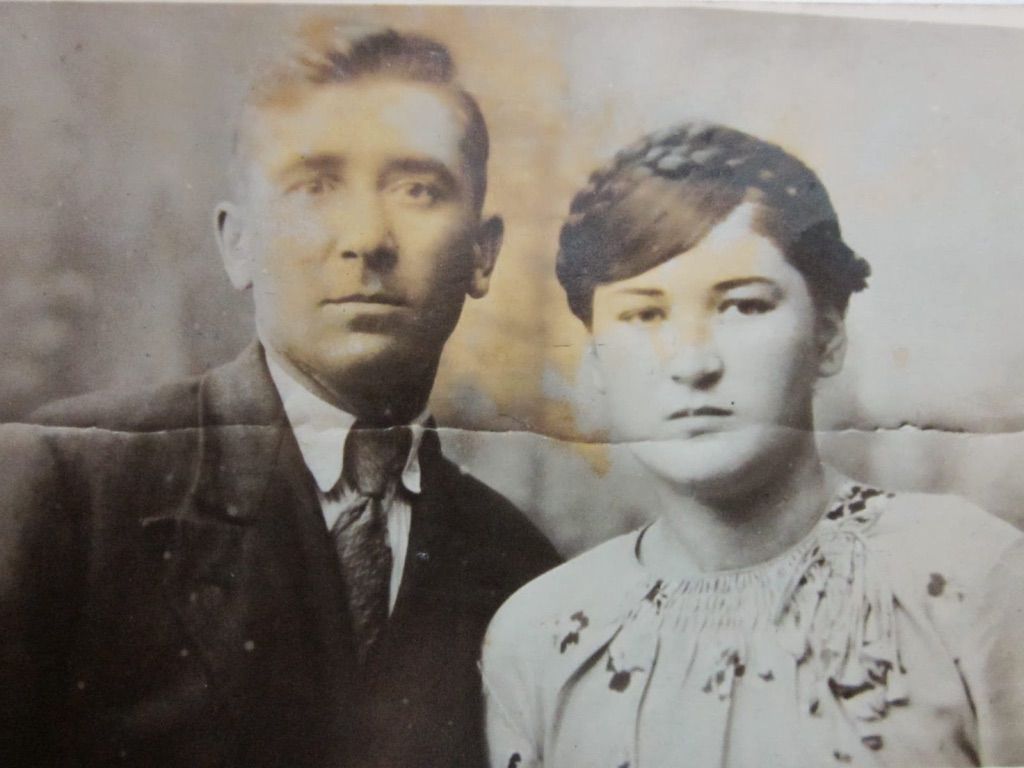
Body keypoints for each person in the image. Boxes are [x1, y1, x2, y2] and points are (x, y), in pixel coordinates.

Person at [0, 24, 559, 768]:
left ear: (482, 255)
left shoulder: (518, 564)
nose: (367, 238)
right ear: (238, 244)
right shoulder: (75, 485)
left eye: (418, 190)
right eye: (315, 186)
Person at [482, 122, 1024, 767]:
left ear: (827, 336)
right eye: (644, 314)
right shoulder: (538, 637)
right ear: (596, 362)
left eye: (742, 306)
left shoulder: (972, 578)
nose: (692, 363)